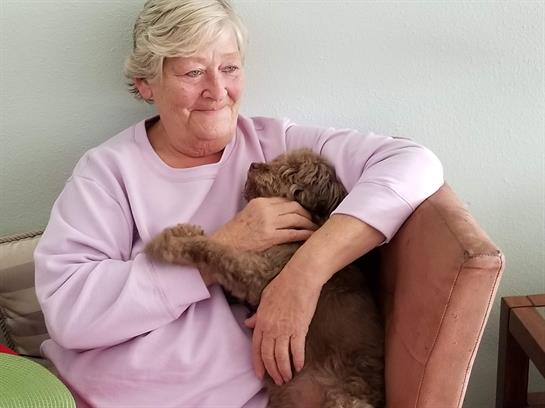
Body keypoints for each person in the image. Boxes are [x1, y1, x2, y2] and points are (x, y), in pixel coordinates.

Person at [34, 0, 444, 406]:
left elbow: (414, 163)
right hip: (97, 395)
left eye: (229, 68)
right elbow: (70, 313)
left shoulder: (277, 146)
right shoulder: (108, 171)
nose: (216, 91)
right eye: (193, 72)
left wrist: (303, 275)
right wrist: (224, 247)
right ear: (146, 83)